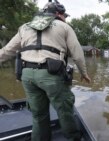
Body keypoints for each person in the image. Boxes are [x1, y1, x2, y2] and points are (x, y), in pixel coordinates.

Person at [0, 2, 91, 141]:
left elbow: (7, 51)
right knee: (64, 111)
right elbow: (77, 54)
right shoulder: (64, 26)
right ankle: (74, 138)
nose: (65, 18)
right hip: (51, 75)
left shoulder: (24, 27)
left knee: (38, 115)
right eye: (64, 15)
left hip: (27, 75)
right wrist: (84, 73)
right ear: (58, 14)